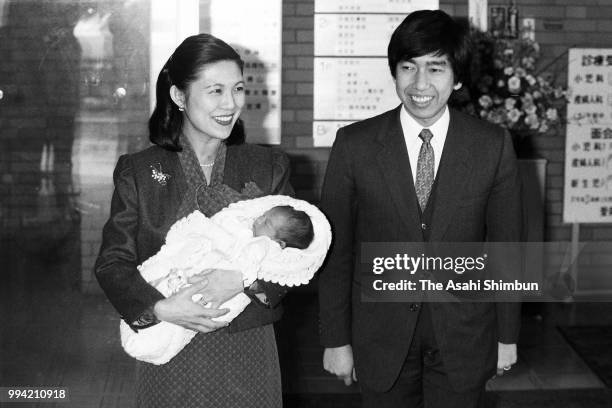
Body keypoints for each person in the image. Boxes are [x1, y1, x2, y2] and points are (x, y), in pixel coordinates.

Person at [318, 10, 522, 408]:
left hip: (464, 336)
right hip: (379, 336)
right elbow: (335, 251)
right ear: (394, 73)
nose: (420, 84)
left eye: (436, 68)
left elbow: (507, 248)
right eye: (408, 67)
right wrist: (335, 339)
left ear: (457, 77)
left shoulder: (491, 145)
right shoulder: (355, 145)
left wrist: (507, 337)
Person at [95, 34, 293, 407]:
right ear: (180, 97)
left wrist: (243, 279)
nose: (231, 104)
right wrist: (158, 308)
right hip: (168, 344)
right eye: (215, 91)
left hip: (246, 345)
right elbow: (112, 263)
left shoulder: (267, 167)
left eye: (237, 89)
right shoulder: (138, 171)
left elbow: (300, 253)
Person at [120, 194, 330, 366]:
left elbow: (264, 270)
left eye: (266, 222)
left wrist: (242, 280)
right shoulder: (244, 223)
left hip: (242, 334)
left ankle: (152, 339)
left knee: (184, 316)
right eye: (263, 215)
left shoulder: (264, 244)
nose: (259, 219)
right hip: (181, 286)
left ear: (280, 243)